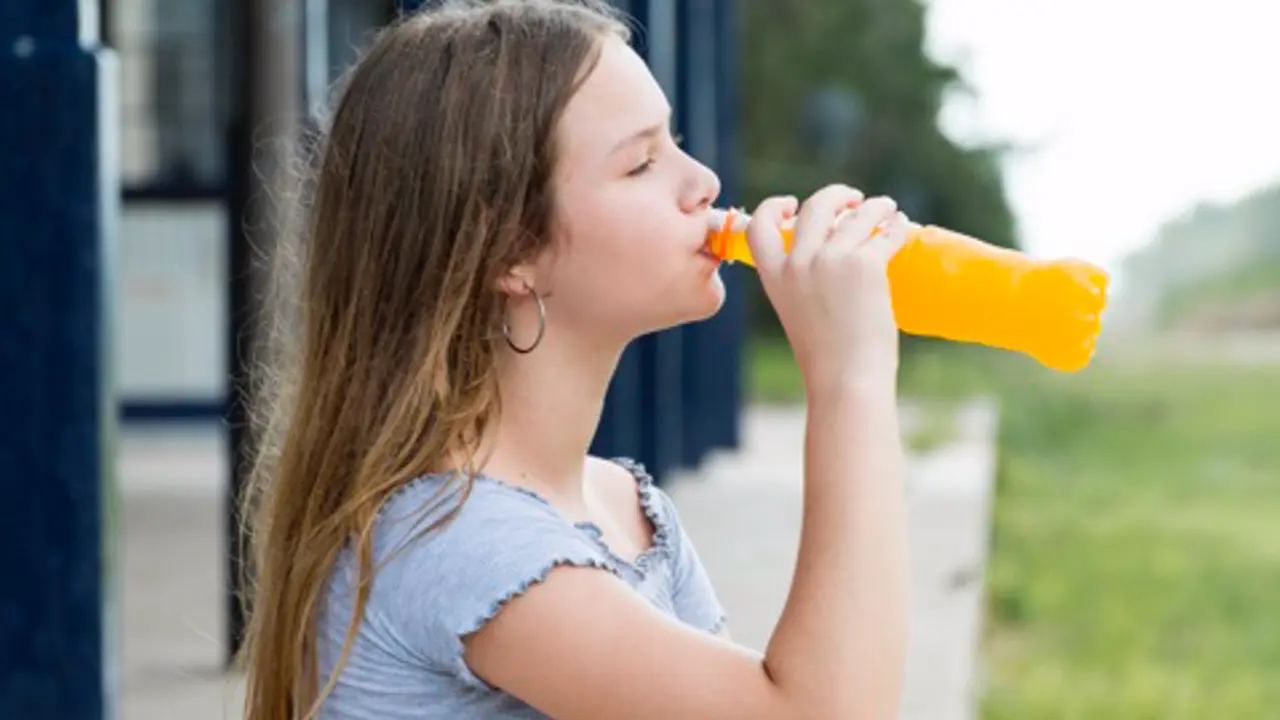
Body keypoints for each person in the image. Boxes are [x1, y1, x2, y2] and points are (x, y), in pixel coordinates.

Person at [236, 1, 911, 718]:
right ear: (511, 252)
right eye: (643, 161)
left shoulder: (625, 508)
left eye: (675, 141)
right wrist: (851, 381)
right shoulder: (459, 538)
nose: (704, 182)